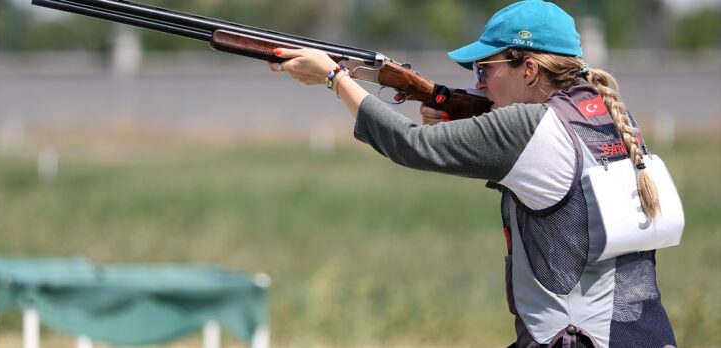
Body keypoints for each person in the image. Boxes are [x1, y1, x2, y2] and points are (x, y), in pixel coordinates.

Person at [267, 1, 682, 347]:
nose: (479, 84)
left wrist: (334, 78)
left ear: (530, 70)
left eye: (485, 69)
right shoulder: (607, 111)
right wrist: (460, 119)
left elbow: (410, 145)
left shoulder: (528, 128)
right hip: (647, 333)